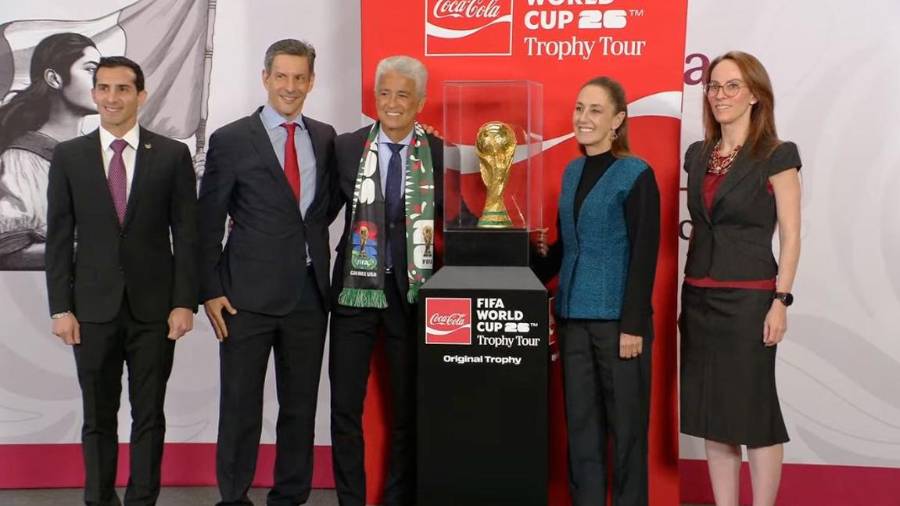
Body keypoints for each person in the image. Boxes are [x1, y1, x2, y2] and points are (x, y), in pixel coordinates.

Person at [45, 55, 197, 506]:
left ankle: (142, 500)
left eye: (123, 89)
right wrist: (60, 307)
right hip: (91, 311)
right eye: (104, 88)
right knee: (98, 416)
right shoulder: (68, 156)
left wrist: (184, 301)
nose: (113, 97)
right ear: (95, 95)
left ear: (140, 96)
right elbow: (58, 237)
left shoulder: (172, 155)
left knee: (149, 415)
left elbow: (186, 236)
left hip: (155, 311)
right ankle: (98, 499)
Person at [197, 39, 336, 506]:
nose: (290, 87)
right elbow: (208, 221)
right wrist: (210, 289)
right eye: (282, 76)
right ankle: (233, 497)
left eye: (300, 78)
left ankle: (289, 497)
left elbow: (322, 209)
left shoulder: (326, 136)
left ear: (312, 81)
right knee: (240, 408)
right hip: (244, 300)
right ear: (265, 78)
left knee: (299, 410)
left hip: (309, 297)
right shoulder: (232, 139)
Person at [679, 51, 801, 506]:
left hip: (750, 301)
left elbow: (790, 235)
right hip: (698, 300)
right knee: (715, 416)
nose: (721, 95)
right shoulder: (698, 155)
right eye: (714, 86)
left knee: (754, 414)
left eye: (732, 86)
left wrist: (781, 300)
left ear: (754, 95)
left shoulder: (776, 155)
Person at [533, 76, 660, 506]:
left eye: (595, 110)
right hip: (572, 323)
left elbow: (644, 254)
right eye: (579, 108)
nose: (583, 118)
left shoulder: (635, 173)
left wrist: (633, 326)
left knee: (626, 433)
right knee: (582, 431)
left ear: (618, 120)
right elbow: (568, 245)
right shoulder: (571, 172)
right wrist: (528, 254)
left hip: (618, 327)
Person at [329, 55, 443, 506]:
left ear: (420, 102)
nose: (392, 104)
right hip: (354, 293)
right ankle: (350, 500)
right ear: (374, 97)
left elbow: (453, 219)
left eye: (402, 95)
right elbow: (319, 211)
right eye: (384, 93)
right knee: (344, 409)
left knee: (406, 410)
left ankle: (399, 498)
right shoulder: (344, 146)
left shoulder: (437, 151)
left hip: (410, 295)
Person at [0, 32, 100, 269]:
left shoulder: (100, 155)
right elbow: (10, 253)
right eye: (90, 69)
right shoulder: (25, 159)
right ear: (54, 79)